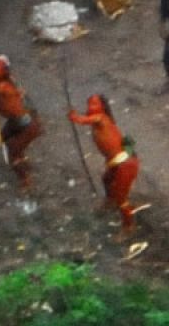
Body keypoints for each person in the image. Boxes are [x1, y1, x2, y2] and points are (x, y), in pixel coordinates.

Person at [68, 94, 140, 239]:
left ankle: (128, 226)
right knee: (106, 179)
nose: (90, 107)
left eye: (94, 104)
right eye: (89, 104)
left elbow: (82, 120)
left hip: (125, 164)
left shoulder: (101, 118)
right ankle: (110, 200)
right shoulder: (98, 121)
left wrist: (74, 116)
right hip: (115, 162)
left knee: (122, 200)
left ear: (102, 107)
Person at [0, 55, 42, 191]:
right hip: (15, 121)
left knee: (12, 151)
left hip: (27, 125)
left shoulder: (7, 85)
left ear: (4, 72)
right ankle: (23, 160)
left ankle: (25, 180)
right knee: (5, 137)